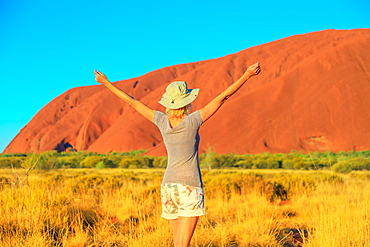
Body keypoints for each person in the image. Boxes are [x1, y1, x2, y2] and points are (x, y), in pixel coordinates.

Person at [94, 62, 261, 247]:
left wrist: (105, 82)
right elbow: (223, 97)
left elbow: (131, 101)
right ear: (187, 101)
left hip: (169, 187)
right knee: (182, 244)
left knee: (178, 243)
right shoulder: (193, 120)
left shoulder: (160, 120)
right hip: (189, 185)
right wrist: (247, 75)